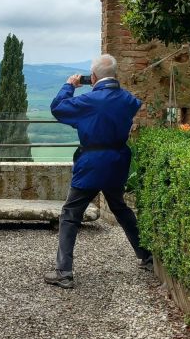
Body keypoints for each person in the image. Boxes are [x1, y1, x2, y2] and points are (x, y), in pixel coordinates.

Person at [44, 53, 153, 289]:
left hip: (91, 163)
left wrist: (69, 86)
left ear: (92, 77)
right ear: (115, 75)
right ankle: (146, 256)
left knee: (70, 214)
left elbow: (58, 108)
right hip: (117, 161)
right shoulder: (128, 100)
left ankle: (64, 272)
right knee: (120, 208)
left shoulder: (90, 101)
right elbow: (127, 104)